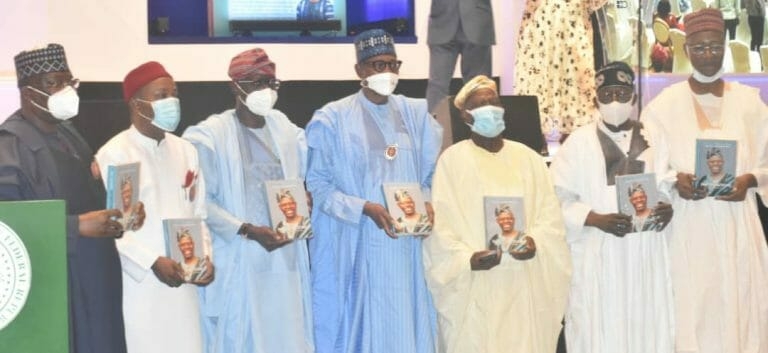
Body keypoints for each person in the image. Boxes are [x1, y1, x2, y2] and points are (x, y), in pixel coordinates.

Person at [0, 43, 146, 353]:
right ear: (28, 93)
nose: (67, 90)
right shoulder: (9, 146)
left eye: (70, 81)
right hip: (55, 288)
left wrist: (121, 214)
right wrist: (75, 227)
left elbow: (90, 198)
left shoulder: (69, 134)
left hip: (96, 278)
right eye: (55, 83)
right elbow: (9, 228)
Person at [305, 29, 442, 353]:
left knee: (408, 330)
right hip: (359, 248)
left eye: (393, 64)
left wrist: (427, 204)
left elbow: (431, 175)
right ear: (360, 71)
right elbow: (319, 186)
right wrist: (365, 208)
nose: (387, 73)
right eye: (377, 65)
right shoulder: (332, 119)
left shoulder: (416, 114)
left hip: (406, 249)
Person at [641, 8, 768, 353]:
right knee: (694, 310)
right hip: (688, 229)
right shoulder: (661, 108)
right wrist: (673, 181)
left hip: (738, 226)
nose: (708, 55)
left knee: (741, 309)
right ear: (686, 50)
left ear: (726, 45)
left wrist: (750, 179)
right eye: (699, 48)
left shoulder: (750, 103)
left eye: (715, 47)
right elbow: (647, 171)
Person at [423, 75, 571, 353]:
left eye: (495, 102)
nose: (490, 108)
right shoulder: (451, 161)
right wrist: (466, 259)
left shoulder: (530, 159)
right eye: (481, 104)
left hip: (523, 283)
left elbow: (551, 218)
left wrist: (535, 241)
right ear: (466, 115)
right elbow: (441, 228)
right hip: (476, 286)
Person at [182, 48, 313, 353]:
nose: (264, 91)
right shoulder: (211, 136)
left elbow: (300, 182)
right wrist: (246, 229)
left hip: (284, 262)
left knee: (285, 338)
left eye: (270, 83)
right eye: (255, 83)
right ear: (234, 86)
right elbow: (202, 203)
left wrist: (306, 199)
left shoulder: (287, 130)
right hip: (240, 260)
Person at [550, 61, 674, 353]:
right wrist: (594, 219)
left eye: (621, 93)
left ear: (633, 96)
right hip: (598, 252)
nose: (615, 101)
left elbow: (666, 182)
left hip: (646, 252)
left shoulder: (654, 136)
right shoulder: (578, 143)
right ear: (595, 99)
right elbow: (556, 197)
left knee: (647, 322)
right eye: (607, 95)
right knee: (599, 328)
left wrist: (666, 206)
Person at [95, 61, 214, 353]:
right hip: (140, 285)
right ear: (137, 104)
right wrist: (151, 261)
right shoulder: (115, 153)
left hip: (184, 283)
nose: (171, 102)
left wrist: (205, 258)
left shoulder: (186, 150)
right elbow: (114, 227)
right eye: (161, 95)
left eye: (174, 93)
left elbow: (198, 214)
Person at [514, 0, 606, 141]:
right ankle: (536, 134)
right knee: (537, 79)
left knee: (574, 80)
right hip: (540, 24)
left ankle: (574, 133)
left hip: (572, 23)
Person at [425, 0, 496, 113]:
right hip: (441, 22)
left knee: (479, 87)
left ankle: (482, 129)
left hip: (478, 22)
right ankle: (431, 129)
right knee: (437, 86)